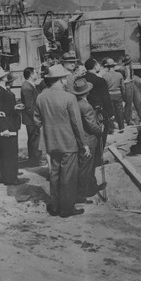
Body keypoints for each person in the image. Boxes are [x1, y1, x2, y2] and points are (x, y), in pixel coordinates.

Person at [33, 64, 90, 218]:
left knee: (55, 175)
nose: (67, 80)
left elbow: (37, 121)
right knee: (68, 177)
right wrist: (83, 143)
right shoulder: (69, 97)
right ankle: (66, 209)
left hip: (51, 143)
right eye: (65, 77)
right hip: (68, 143)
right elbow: (77, 124)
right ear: (60, 80)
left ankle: (55, 206)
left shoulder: (41, 97)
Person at [0, 66, 24, 186]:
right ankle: (10, 178)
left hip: (7, 125)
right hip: (7, 126)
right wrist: (4, 128)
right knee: (9, 152)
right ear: (3, 78)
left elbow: (3, 109)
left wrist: (14, 108)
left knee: (3, 151)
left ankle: (3, 176)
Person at [72, 78, 106, 203]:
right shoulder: (85, 106)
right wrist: (100, 129)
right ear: (87, 92)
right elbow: (92, 126)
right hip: (89, 139)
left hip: (81, 138)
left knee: (89, 166)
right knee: (85, 168)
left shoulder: (76, 102)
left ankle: (92, 187)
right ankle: (81, 195)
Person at [84, 58, 114, 159]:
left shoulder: (82, 79)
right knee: (101, 134)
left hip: (85, 110)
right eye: (98, 65)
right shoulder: (100, 80)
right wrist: (110, 113)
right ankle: (98, 158)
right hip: (99, 111)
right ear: (95, 66)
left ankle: (89, 156)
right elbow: (106, 98)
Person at [20, 67, 42, 167]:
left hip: (32, 118)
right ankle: (34, 161)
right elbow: (30, 106)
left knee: (35, 139)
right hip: (31, 119)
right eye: (35, 72)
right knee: (34, 140)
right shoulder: (27, 87)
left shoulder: (30, 85)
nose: (37, 74)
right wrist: (37, 119)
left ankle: (35, 159)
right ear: (31, 75)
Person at [121, 54, 141, 126]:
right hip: (127, 85)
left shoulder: (131, 67)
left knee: (138, 100)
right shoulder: (123, 69)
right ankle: (128, 119)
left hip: (132, 83)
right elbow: (122, 79)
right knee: (128, 102)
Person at [103, 58, 125, 132]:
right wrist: (123, 95)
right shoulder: (119, 74)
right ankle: (121, 127)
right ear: (114, 66)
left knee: (110, 112)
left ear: (107, 67)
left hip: (109, 95)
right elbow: (123, 87)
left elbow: (104, 88)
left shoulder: (105, 76)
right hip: (118, 94)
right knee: (120, 111)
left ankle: (111, 129)